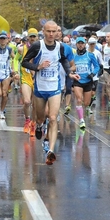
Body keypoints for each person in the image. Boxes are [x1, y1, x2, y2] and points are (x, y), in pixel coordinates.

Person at [22, 21, 79, 165]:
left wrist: (69, 74)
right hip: (40, 89)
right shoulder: (37, 46)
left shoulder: (60, 47)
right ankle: (40, 126)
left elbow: (64, 60)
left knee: (53, 117)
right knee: (41, 118)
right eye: (49, 31)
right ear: (43, 31)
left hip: (55, 88)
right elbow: (24, 62)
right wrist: (37, 66)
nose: (52, 34)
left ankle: (51, 150)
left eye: (54, 31)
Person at [72, 37, 100, 129]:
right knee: (79, 99)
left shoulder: (90, 55)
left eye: (82, 43)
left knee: (87, 103)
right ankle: (81, 120)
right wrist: (72, 73)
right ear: (76, 45)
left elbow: (97, 67)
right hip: (77, 81)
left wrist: (92, 74)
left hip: (88, 81)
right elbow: (70, 67)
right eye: (79, 43)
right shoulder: (73, 56)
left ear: (85, 44)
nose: (80, 45)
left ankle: (85, 109)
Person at [19, 28, 38, 136]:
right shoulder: (22, 49)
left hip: (37, 79)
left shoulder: (41, 48)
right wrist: (15, 71)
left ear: (37, 37)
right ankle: (27, 120)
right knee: (27, 101)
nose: (32, 38)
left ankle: (33, 124)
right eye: (31, 36)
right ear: (28, 38)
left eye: (34, 36)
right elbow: (16, 59)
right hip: (25, 77)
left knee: (35, 105)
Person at [0, 32, 14, 119]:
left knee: (5, 94)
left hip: (6, 74)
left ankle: (1, 111)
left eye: (4, 39)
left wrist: (13, 70)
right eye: (1, 39)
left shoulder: (9, 49)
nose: (3, 40)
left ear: (7, 40)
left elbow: (14, 59)